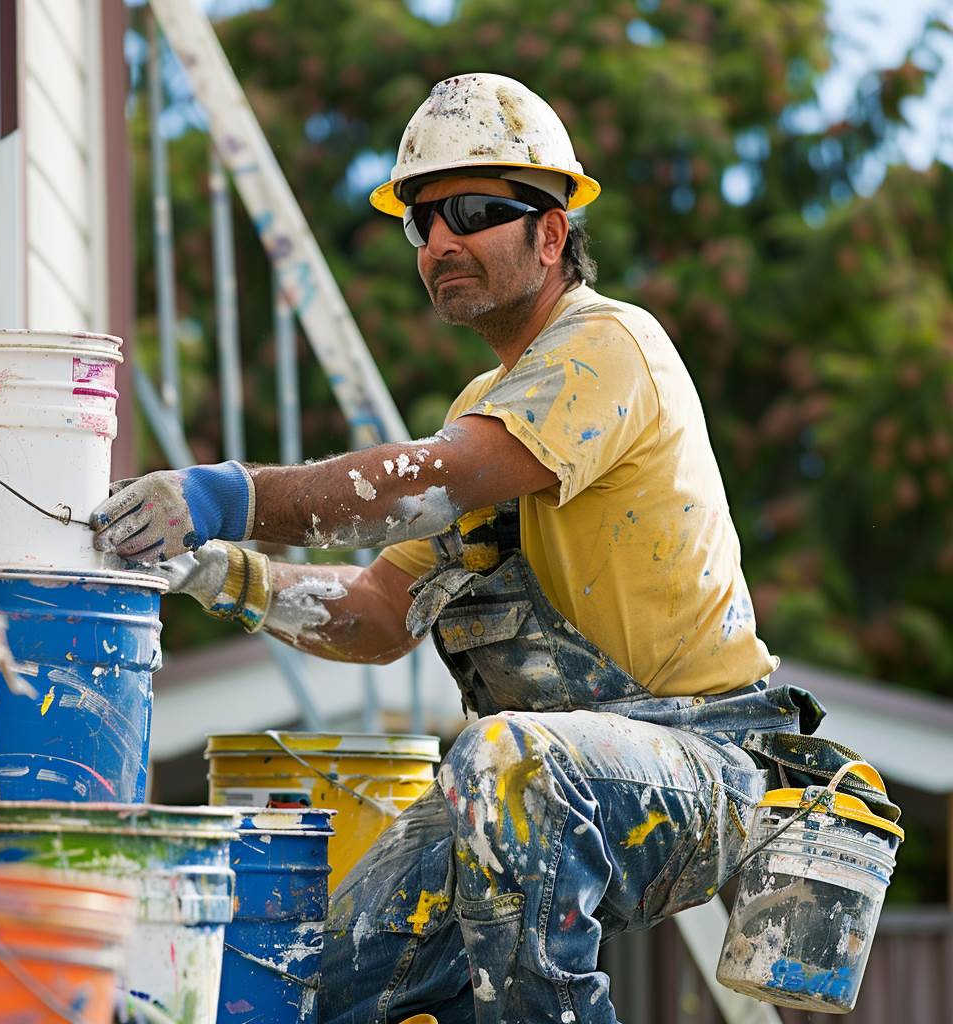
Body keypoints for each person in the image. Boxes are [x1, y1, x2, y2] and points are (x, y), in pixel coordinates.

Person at [91, 73, 829, 1023]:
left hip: (706, 764)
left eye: (475, 212)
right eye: (422, 221)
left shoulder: (608, 348)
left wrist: (224, 495)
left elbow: (429, 482)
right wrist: (218, 573)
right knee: (323, 985)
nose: (441, 241)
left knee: (504, 760)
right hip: (533, 783)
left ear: (552, 233)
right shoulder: (483, 408)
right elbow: (374, 616)